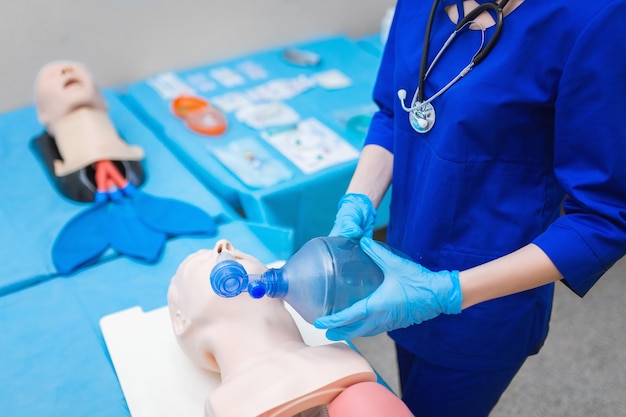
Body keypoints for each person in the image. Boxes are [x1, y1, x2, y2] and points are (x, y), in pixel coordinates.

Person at [313, 1, 626, 416]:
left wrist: (447, 293)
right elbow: (396, 112)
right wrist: (356, 202)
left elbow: (602, 218)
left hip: (486, 304)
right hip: (401, 264)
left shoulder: (595, 20)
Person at [167, 239, 413, 417]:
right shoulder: (348, 368)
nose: (224, 246)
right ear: (181, 320)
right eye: (196, 263)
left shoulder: (354, 383)